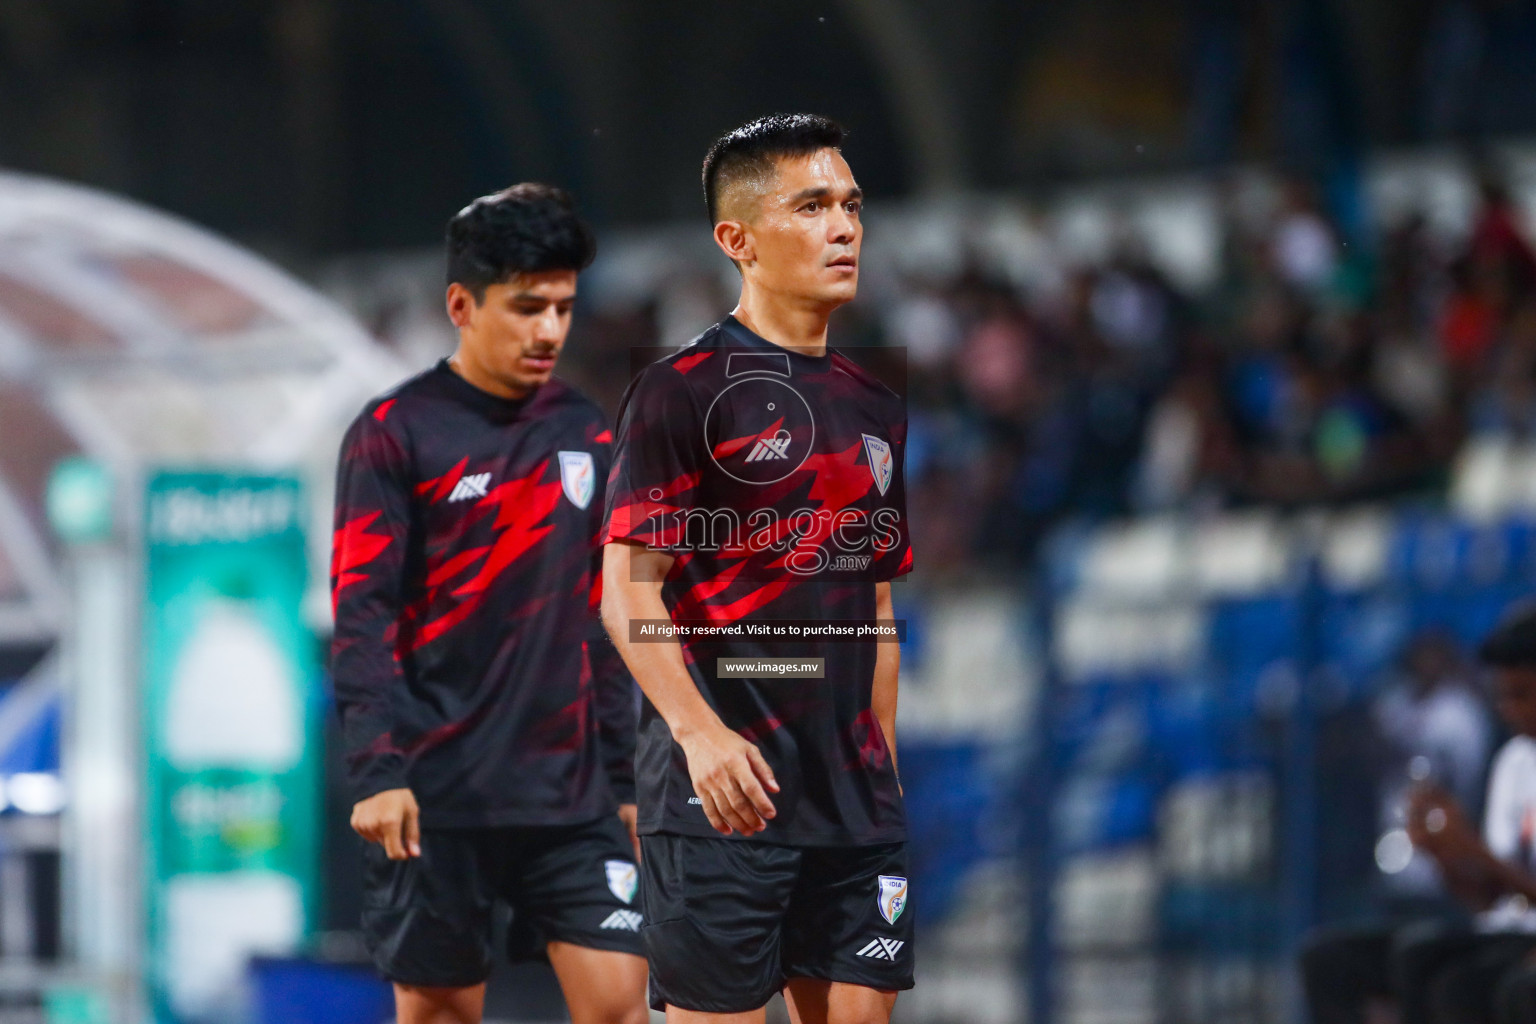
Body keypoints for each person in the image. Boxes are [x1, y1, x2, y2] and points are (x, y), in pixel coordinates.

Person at [600, 113, 914, 1024]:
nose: (845, 227)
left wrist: (882, 772)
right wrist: (699, 736)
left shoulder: (875, 406)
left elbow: (875, 607)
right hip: (723, 800)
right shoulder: (679, 391)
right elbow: (628, 588)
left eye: (851, 204)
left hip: (851, 806)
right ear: (737, 239)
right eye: (812, 205)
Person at [330, 183, 648, 1024]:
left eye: (563, 308)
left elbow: (602, 617)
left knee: (619, 999)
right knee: (440, 1013)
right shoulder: (395, 434)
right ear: (462, 306)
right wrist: (377, 770)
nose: (549, 330)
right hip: (436, 796)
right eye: (526, 307)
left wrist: (624, 776)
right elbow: (362, 614)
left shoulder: (586, 431)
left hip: (568, 797)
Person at [1301, 603, 1536, 1024]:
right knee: (1332, 958)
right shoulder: (1514, 761)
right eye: (1502, 695)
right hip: (1511, 934)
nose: (1508, 708)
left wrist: (1473, 849)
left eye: (1522, 694)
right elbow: (1492, 902)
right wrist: (1447, 855)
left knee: (1458, 982)